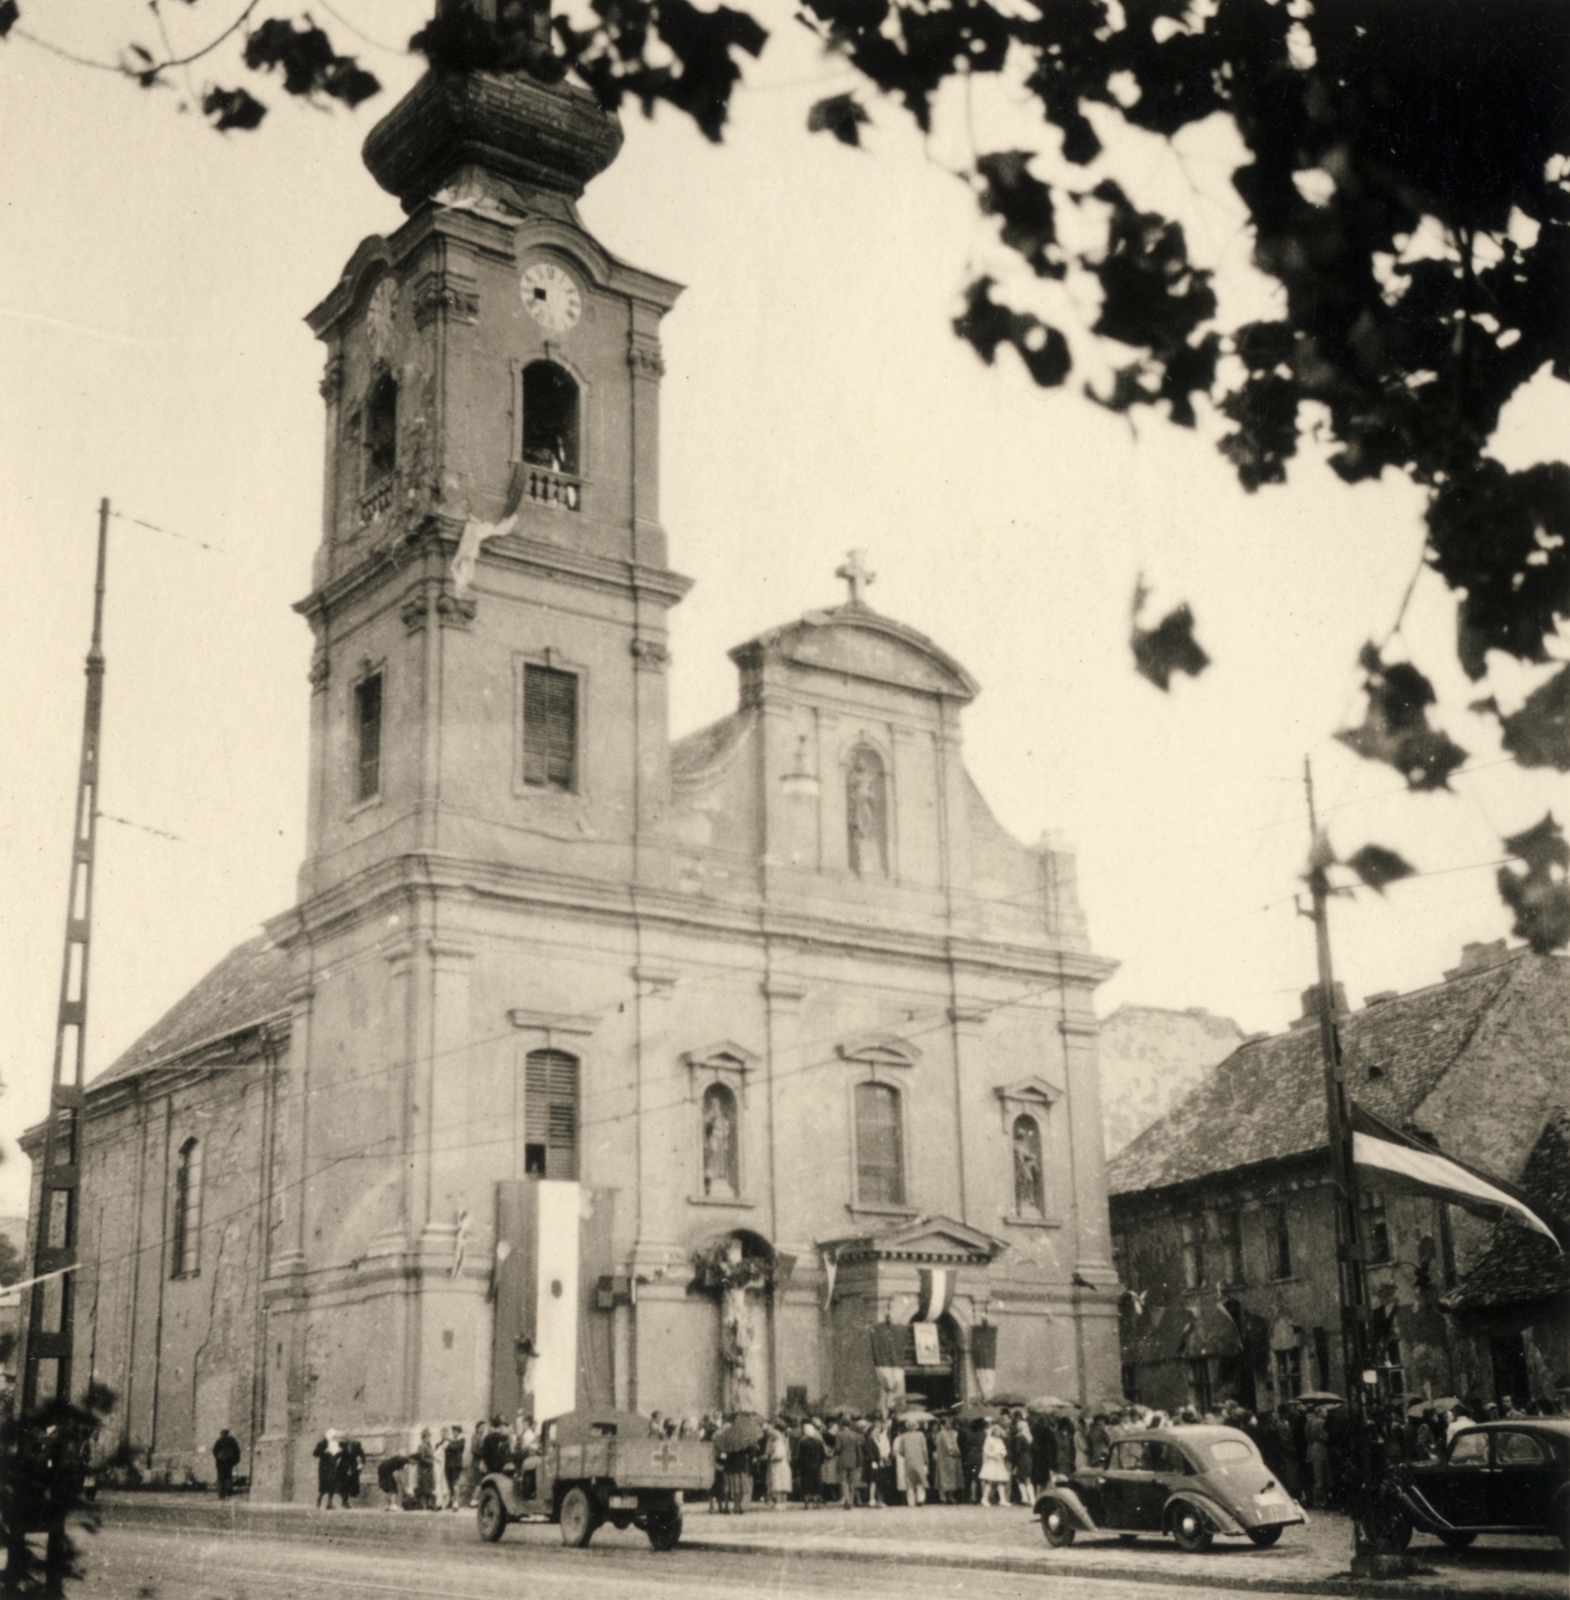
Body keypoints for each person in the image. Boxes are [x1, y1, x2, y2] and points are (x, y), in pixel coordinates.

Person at [896, 1421, 929, 1506]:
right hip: (919, 1459)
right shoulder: (921, 1435)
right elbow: (924, 1449)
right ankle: (920, 1498)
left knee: (910, 1481)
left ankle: (911, 1502)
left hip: (908, 1460)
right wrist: (926, 1460)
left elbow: (900, 1451)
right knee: (920, 1479)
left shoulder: (903, 1436)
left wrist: (906, 1454)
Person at [979, 1424, 1011, 1506]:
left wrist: (1002, 1454)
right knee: (990, 1481)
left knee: (1000, 1481)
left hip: (999, 1462)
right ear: (994, 1431)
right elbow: (986, 1450)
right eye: (997, 1431)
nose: (998, 1433)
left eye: (999, 1431)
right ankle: (984, 1498)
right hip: (992, 1462)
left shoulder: (1000, 1440)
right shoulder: (989, 1440)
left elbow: (1004, 1449)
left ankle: (1002, 1499)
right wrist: (994, 1455)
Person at [933, 1419, 963, 1505]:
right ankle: (947, 1497)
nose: (950, 1424)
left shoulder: (940, 1434)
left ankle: (944, 1496)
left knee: (943, 1478)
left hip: (943, 1459)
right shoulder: (944, 1434)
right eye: (948, 1422)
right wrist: (957, 1452)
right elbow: (949, 1447)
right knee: (949, 1478)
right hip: (949, 1458)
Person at [836, 1420, 866, 1508]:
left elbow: (838, 1448)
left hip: (843, 1459)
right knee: (852, 1482)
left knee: (844, 1481)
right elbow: (858, 1448)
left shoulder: (840, 1435)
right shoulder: (855, 1435)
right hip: (853, 1459)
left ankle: (847, 1500)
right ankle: (852, 1500)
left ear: (842, 1425)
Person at [797, 1422, 826, 1508]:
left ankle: (806, 1502)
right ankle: (816, 1502)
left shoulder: (802, 1442)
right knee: (816, 1483)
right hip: (816, 1465)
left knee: (806, 1483)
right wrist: (820, 1462)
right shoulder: (819, 1442)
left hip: (805, 1466)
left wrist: (799, 1465)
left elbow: (800, 1455)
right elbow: (823, 1454)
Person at [313, 1429, 342, 1509]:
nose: (334, 1438)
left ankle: (329, 1503)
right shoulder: (322, 1444)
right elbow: (315, 1453)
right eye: (333, 1436)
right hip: (324, 1468)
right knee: (325, 1485)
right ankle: (319, 1499)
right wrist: (324, 1451)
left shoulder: (335, 1444)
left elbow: (335, 1456)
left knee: (332, 1485)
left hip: (333, 1467)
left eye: (335, 1437)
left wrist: (339, 1452)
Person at [336, 1435, 365, 1508]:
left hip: (352, 1468)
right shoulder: (343, 1446)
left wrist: (361, 1465)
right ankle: (344, 1502)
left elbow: (362, 1456)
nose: (348, 1439)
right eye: (347, 1438)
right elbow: (336, 1456)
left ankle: (345, 1502)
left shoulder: (356, 1445)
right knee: (343, 1485)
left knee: (350, 1485)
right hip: (342, 1468)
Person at [211, 1428, 241, 1500]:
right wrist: (236, 1460)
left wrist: (218, 1458)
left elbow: (214, 1451)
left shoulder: (219, 1441)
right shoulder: (232, 1440)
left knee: (221, 1478)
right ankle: (229, 1491)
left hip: (221, 1462)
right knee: (228, 1476)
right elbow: (237, 1450)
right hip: (229, 1462)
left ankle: (222, 1494)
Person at [766, 1424, 792, 1507]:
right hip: (784, 1464)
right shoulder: (784, 1440)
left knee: (778, 1484)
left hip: (778, 1465)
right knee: (782, 1485)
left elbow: (778, 1455)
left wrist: (770, 1458)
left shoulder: (778, 1442)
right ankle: (782, 1503)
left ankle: (779, 1503)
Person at [442, 1426, 466, 1509]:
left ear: (458, 1432)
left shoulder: (461, 1440)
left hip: (456, 1464)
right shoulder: (453, 1441)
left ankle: (456, 1502)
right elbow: (446, 1449)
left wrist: (449, 1441)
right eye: (453, 1432)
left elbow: (454, 1447)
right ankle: (452, 1501)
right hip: (449, 1465)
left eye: (455, 1432)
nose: (454, 1433)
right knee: (450, 1483)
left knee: (455, 1483)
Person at [414, 1429, 437, 1510]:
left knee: (429, 1487)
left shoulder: (429, 1446)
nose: (429, 1438)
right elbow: (421, 1457)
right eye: (427, 1437)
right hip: (424, 1469)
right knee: (424, 1487)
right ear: (423, 1438)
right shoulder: (422, 1446)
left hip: (429, 1470)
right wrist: (430, 1462)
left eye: (429, 1436)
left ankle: (428, 1504)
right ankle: (423, 1505)